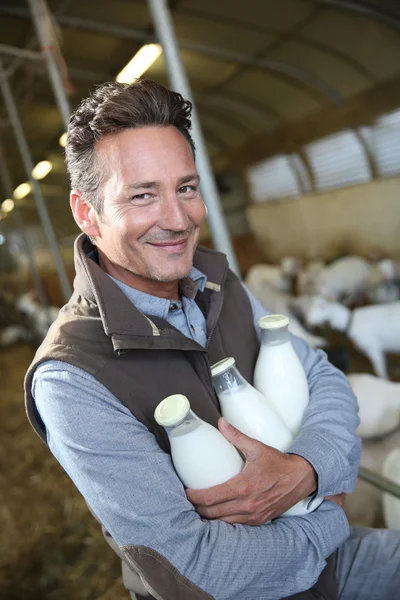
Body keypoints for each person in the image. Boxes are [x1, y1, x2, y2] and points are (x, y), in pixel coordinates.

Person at [24, 79, 400, 600]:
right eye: (142, 195)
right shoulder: (72, 378)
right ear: (87, 213)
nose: (178, 219)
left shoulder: (219, 284)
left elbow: (326, 380)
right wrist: (329, 517)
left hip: (334, 566)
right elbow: (199, 571)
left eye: (186, 187)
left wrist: (306, 469)